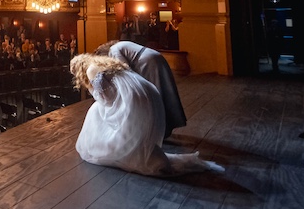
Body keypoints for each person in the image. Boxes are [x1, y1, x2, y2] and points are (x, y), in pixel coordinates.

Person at [70, 54, 222, 176]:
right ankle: (141, 154)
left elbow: (107, 98)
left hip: (134, 100)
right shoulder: (105, 64)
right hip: (148, 94)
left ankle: (108, 149)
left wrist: (95, 95)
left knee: (95, 111)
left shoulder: (91, 70)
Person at [95, 40, 187, 137]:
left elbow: (124, 70)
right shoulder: (120, 45)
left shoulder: (113, 50)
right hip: (155, 58)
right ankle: (166, 125)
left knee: (155, 96)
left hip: (148, 63)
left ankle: (159, 129)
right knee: (165, 91)